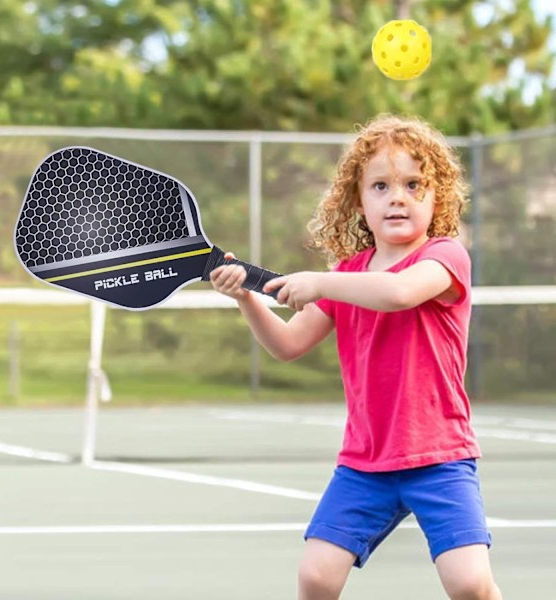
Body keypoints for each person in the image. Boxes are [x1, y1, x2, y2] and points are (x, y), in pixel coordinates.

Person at [210, 114, 501, 600]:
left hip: (440, 458)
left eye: (414, 185)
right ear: (358, 201)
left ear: (438, 197)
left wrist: (321, 281)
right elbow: (287, 345)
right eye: (381, 186)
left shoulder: (446, 258)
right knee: (316, 578)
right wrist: (247, 298)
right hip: (365, 464)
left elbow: (399, 292)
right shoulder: (349, 273)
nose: (398, 197)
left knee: (470, 584)